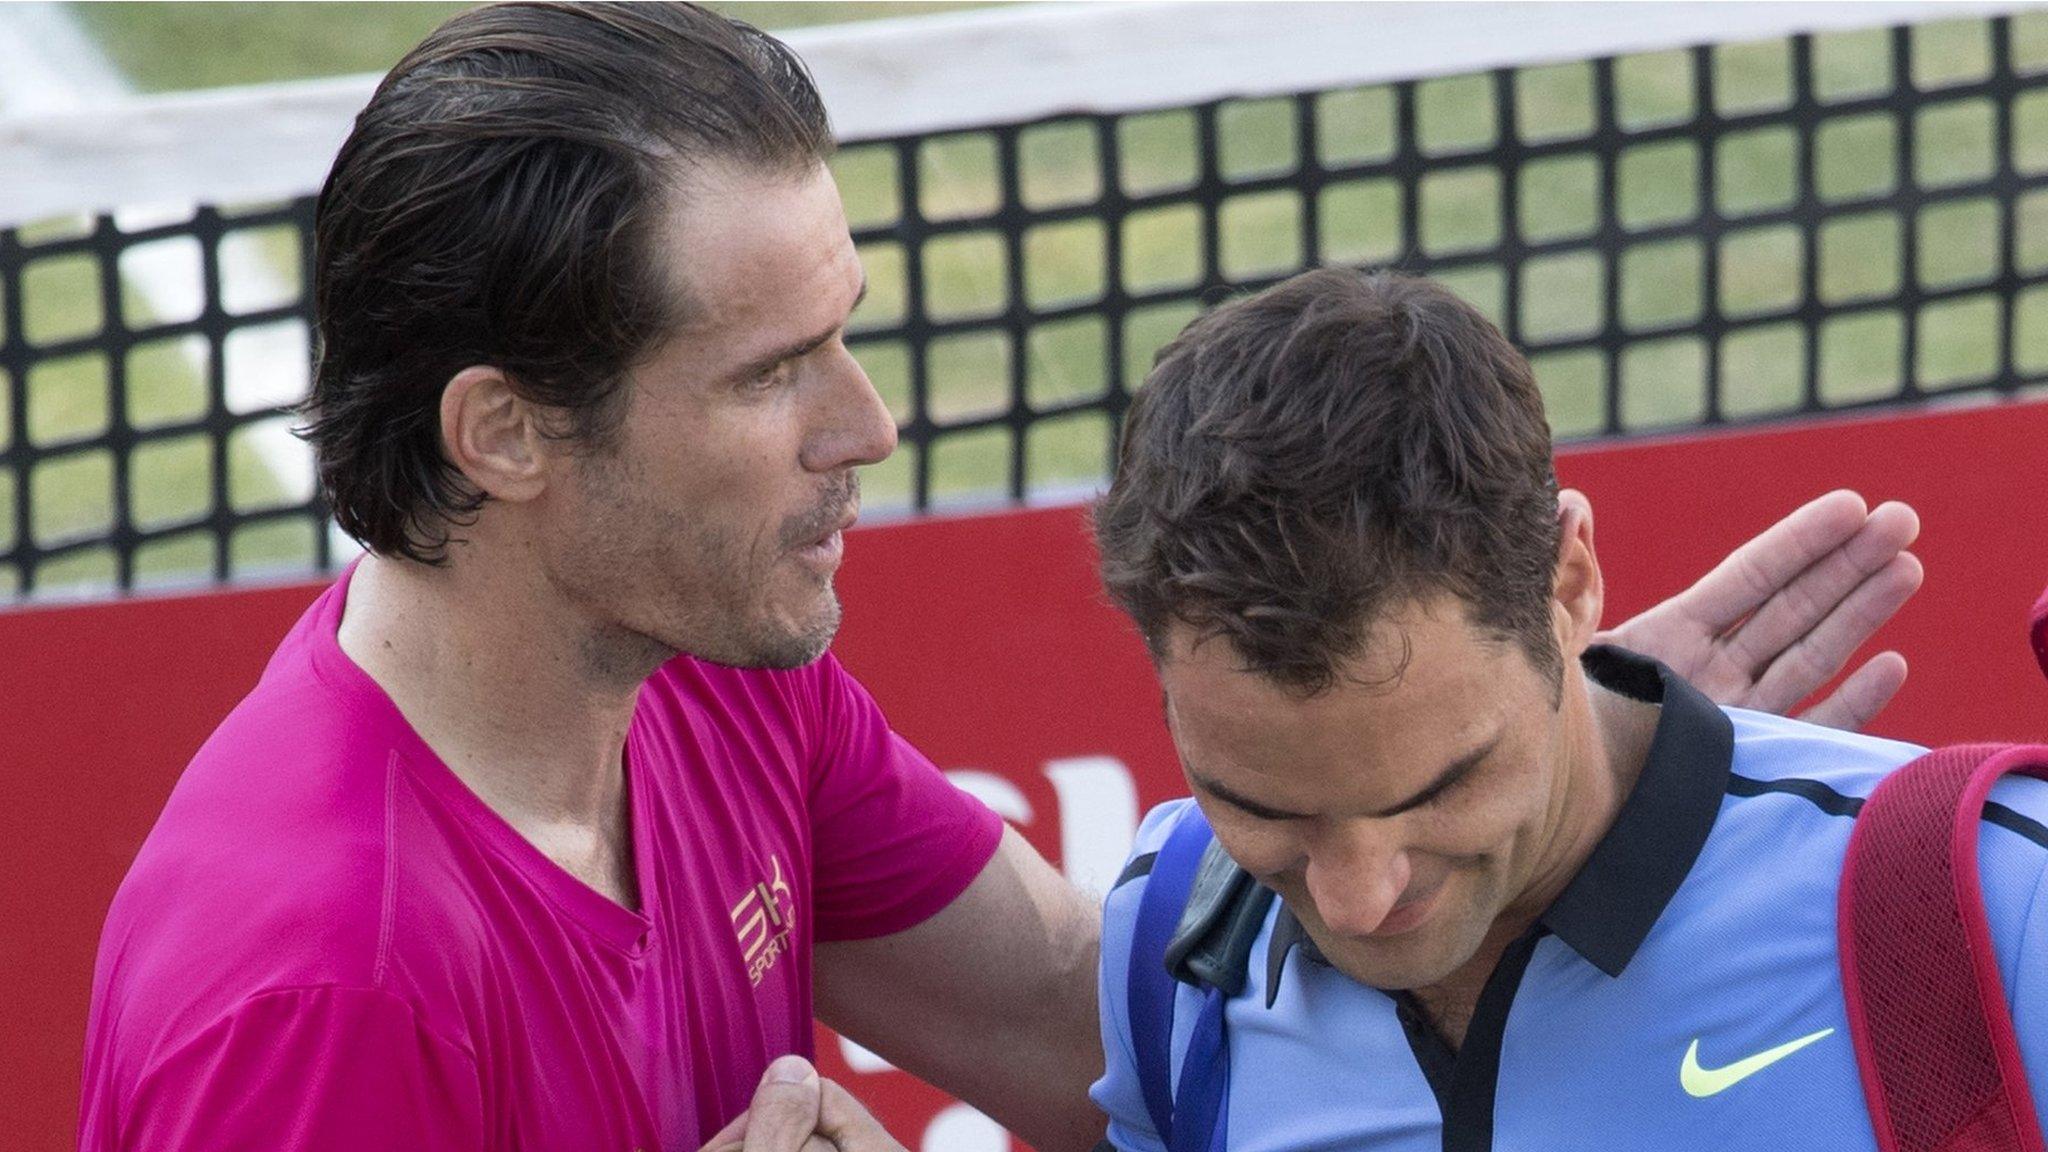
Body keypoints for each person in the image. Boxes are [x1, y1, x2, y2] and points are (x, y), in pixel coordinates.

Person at [77, 6, 1924, 1152]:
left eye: (844, 338)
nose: (864, 424)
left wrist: (1515, 786)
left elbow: (1087, 1046)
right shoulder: (321, 989)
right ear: (503, 436)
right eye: (766, 372)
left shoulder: (719, 672)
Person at [1088, 267, 2048, 1151]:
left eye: (1439, 787)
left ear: (1571, 579)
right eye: (1263, 809)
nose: (1359, 900)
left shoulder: (2002, 908)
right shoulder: (1171, 950)